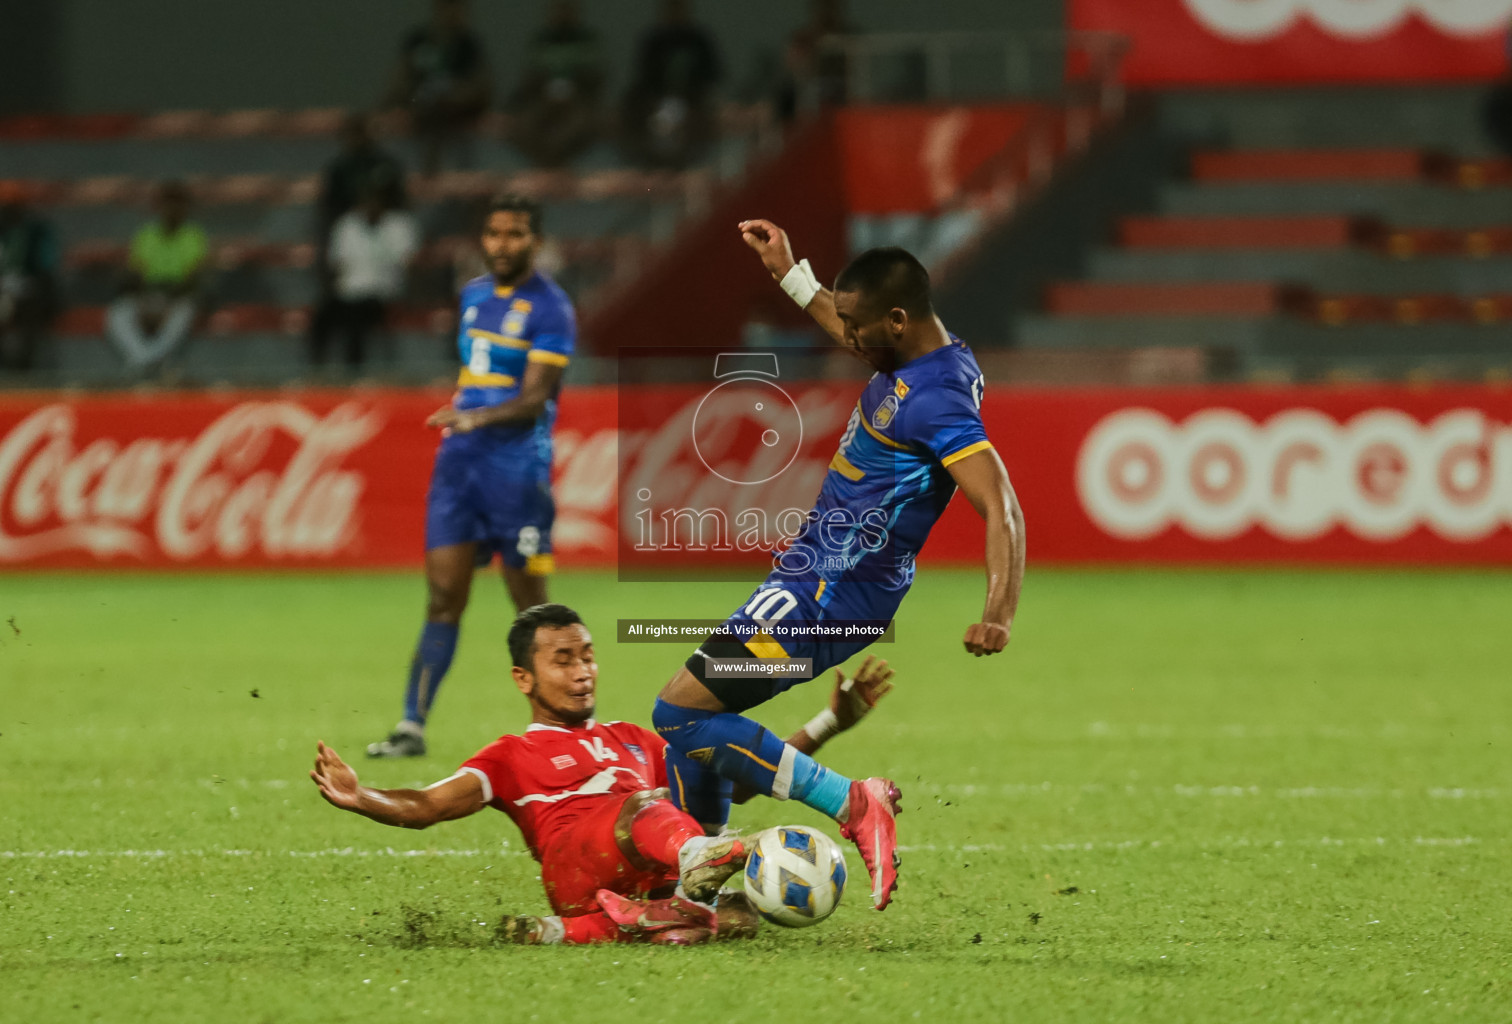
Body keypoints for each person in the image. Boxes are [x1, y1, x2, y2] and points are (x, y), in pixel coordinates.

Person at [651, 220, 1027, 912]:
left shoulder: (937, 401)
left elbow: (1000, 503)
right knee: (701, 731)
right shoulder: (916, 360)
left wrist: (997, 612)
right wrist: (790, 272)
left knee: (677, 712)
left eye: (856, 325)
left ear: (897, 319)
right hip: (819, 583)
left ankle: (853, 802)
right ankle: (696, 887)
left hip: (827, 594)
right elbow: (842, 314)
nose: (844, 336)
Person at [313, 604, 894, 945]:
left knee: (744, 906)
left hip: (655, 864)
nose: (582, 671)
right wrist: (360, 794)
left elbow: (737, 780)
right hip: (578, 863)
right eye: (562, 661)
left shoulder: (631, 737)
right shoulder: (510, 755)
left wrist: (828, 723)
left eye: (587, 655)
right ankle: (687, 874)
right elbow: (428, 805)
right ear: (524, 678)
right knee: (644, 807)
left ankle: (610, 925)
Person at [366, 194, 575, 759]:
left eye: (515, 234)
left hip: (517, 472)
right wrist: (467, 419)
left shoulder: (552, 308)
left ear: (535, 241)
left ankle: (578, 730)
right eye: (494, 233)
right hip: (460, 467)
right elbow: (475, 375)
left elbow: (534, 400)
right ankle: (411, 726)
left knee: (533, 609)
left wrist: (474, 416)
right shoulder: (473, 295)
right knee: (442, 596)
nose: (502, 244)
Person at [309, 186, 419, 370]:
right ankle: (317, 370)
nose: (371, 205)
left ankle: (354, 373)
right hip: (348, 292)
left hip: (383, 293)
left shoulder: (400, 225)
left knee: (356, 320)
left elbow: (408, 264)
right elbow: (336, 263)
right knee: (321, 318)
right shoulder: (347, 225)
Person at [105, 181, 207, 377]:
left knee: (183, 313)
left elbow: (192, 277)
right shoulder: (147, 234)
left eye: (178, 205)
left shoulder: (193, 236)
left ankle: (143, 362)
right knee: (118, 314)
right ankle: (149, 360)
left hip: (177, 296)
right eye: (168, 204)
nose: (173, 210)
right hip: (147, 293)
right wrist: (144, 301)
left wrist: (166, 303)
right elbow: (136, 273)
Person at [385, 0, 490, 176]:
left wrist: (457, 95)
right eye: (448, 7)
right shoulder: (418, 40)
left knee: (441, 103)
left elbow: (483, 86)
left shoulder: (469, 45)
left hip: (456, 108)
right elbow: (399, 80)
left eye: (458, 8)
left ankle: (433, 165)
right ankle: (428, 165)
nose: (453, 14)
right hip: (420, 106)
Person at [620, 0, 722, 169]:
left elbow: (713, 74)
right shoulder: (654, 41)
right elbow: (643, 75)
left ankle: (686, 163)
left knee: (697, 121)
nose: (676, 15)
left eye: (679, 9)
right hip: (656, 97)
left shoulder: (699, 40)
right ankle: (644, 161)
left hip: (692, 98)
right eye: (672, 10)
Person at [504, 0, 606, 168]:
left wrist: (574, 89)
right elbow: (529, 77)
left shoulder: (588, 40)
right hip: (543, 100)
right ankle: (547, 166)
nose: (562, 14)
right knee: (521, 126)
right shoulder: (541, 41)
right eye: (558, 9)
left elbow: (596, 77)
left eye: (567, 9)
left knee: (579, 127)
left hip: (578, 101)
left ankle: (557, 166)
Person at [0, 184, 60, 373]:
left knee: (28, 311)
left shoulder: (36, 231)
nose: (7, 211)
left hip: (30, 290)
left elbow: (45, 264)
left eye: (12, 206)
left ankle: (22, 366)